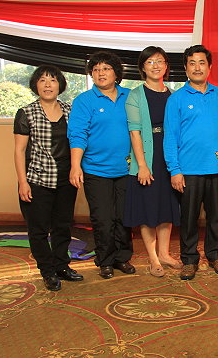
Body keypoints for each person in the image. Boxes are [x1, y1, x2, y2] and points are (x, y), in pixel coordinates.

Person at [164, 45, 218, 280]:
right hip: (188, 170)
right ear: (185, 68)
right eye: (192, 63)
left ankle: (215, 255)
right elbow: (170, 136)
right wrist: (174, 169)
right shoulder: (176, 99)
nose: (197, 68)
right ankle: (189, 259)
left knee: (216, 217)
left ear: (209, 67)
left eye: (202, 63)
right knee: (189, 218)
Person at [13, 65, 82, 291]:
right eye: (42, 80)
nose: (47, 85)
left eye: (52, 80)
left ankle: (62, 265)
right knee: (39, 229)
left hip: (66, 179)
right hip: (37, 179)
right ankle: (47, 271)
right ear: (36, 85)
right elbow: (19, 151)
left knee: (63, 225)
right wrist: (23, 182)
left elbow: (79, 142)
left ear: (60, 85)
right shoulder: (26, 113)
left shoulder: (71, 111)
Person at [68, 51, 134, 280]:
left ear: (116, 73)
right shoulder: (84, 101)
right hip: (96, 170)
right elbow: (77, 135)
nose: (100, 73)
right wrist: (75, 166)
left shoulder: (130, 96)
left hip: (127, 169)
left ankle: (122, 257)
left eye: (106, 68)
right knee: (103, 219)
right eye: (95, 70)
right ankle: (105, 260)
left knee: (124, 217)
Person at [124, 46, 182, 277]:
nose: (155, 66)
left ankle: (165, 254)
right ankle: (153, 258)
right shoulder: (135, 95)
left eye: (160, 61)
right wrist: (142, 165)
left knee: (167, 207)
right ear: (142, 67)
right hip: (148, 156)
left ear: (166, 66)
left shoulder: (173, 95)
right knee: (148, 209)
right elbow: (135, 132)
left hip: (169, 156)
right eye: (150, 62)